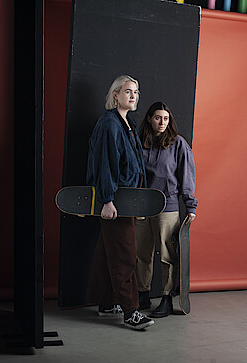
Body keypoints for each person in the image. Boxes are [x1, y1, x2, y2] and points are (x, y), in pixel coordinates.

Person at [85, 75, 154, 330]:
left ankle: (106, 302)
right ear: (115, 95)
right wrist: (107, 200)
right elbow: (105, 164)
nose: (133, 96)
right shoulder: (109, 124)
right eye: (127, 91)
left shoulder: (128, 123)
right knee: (125, 256)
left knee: (108, 251)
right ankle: (130, 311)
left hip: (128, 200)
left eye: (136, 91)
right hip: (116, 201)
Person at [135, 101, 198, 318]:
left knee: (167, 255)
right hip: (142, 205)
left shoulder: (178, 144)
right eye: (157, 118)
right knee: (141, 253)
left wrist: (191, 206)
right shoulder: (139, 142)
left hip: (167, 206)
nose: (162, 123)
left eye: (166, 119)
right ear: (150, 119)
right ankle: (142, 295)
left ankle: (165, 298)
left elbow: (187, 177)